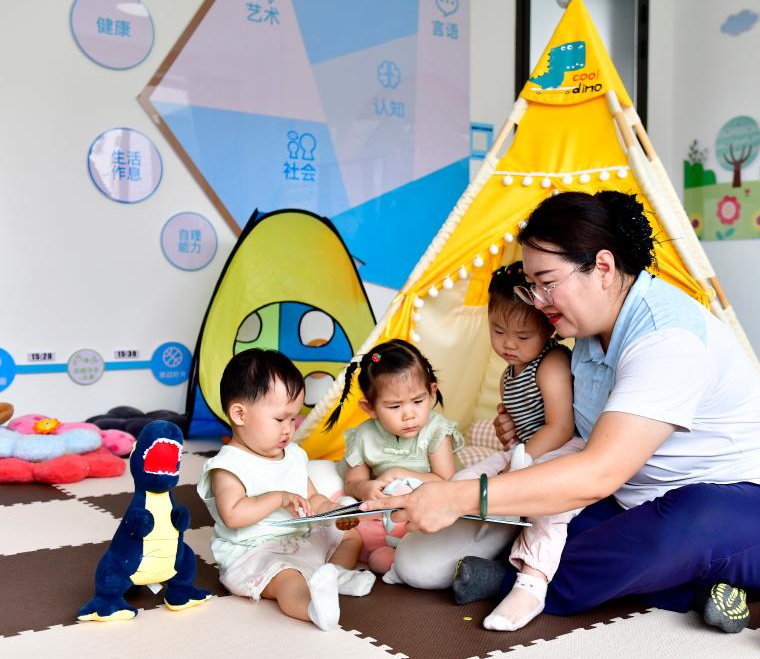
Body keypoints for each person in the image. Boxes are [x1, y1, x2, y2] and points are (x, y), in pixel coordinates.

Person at [362, 191, 760, 633]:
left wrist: (458, 497)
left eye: (547, 283)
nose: (538, 301)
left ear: (602, 267)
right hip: (636, 503)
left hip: (759, 511)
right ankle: (698, 588)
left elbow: (599, 471)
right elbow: (578, 441)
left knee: (686, 521)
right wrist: (520, 436)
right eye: (531, 286)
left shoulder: (665, 337)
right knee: (548, 528)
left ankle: (512, 582)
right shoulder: (585, 337)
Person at [197, 349, 375, 632]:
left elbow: (313, 498)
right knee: (288, 578)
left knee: (350, 536)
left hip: (299, 540)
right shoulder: (229, 465)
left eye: (293, 419)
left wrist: (333, 512)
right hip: (254, 554)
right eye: (280, 419)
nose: (289, 429)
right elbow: (233, 515)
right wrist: (278, 498)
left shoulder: (293, 454)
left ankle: (337, 576)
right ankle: (312, 608)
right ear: (240, 414)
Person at [453, 261, 585, 631]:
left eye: (523, 336)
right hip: (528, 449)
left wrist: (517, 465)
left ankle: (531, 580)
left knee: (546, 499)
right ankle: (452, 531)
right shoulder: (509, 374)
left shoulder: (551, 362)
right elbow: (517, 432)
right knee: (466, 478)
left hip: (562, 447)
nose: (508, 344)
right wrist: (512, 448)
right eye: (498, 331)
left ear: (548, 329)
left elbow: (560, 427)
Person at [331, 339, 464, 501]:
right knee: (345, 502)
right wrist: (364, 488)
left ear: (431, 392)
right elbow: (352, 483)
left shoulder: (436, 430)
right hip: (388, 505)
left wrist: (398, 474)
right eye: (394, 406)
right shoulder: (365, 436)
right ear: (370, 408)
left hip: (431, 503)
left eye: (417, 401)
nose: (409, 415)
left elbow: (446, 481)